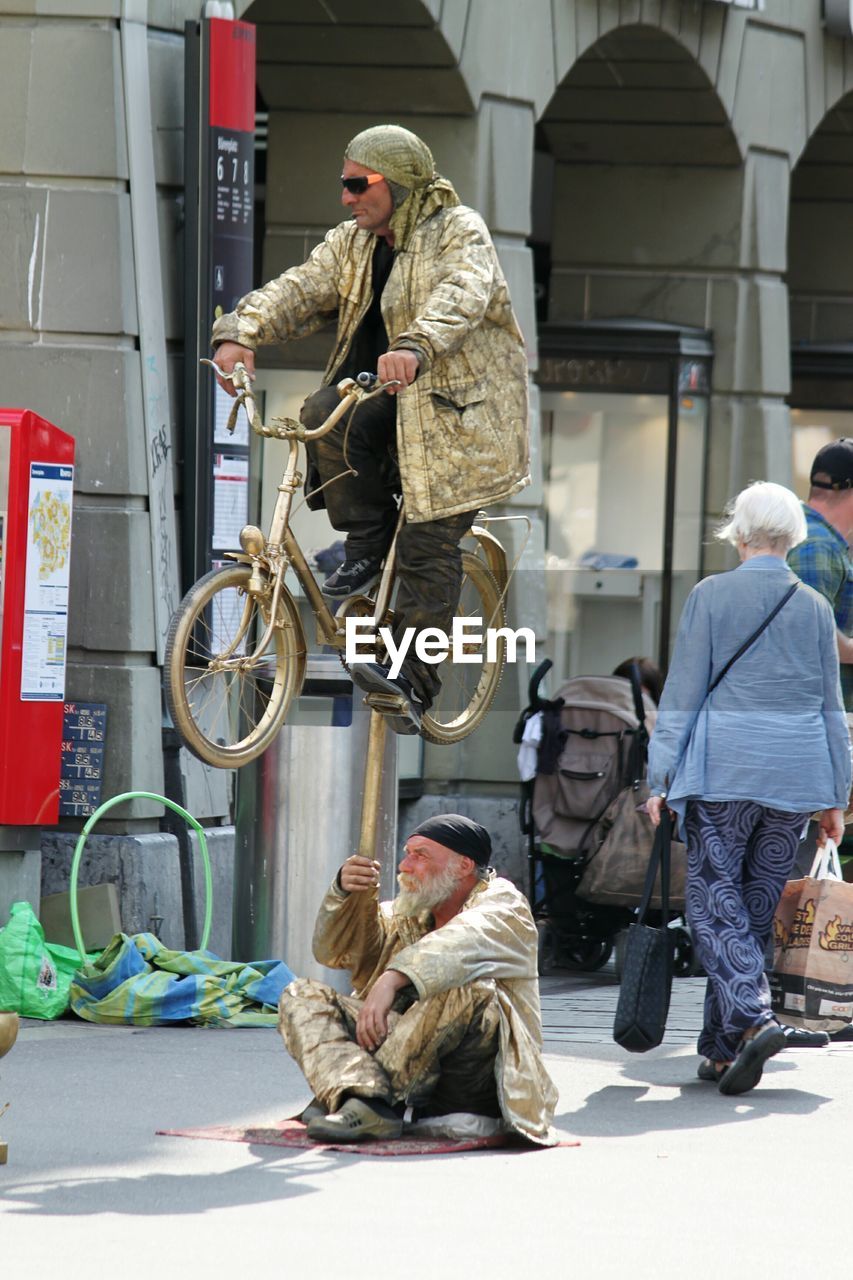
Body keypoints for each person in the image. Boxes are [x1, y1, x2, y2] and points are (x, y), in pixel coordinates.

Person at [211, 123, 530, 734]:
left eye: (358, 184)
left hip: (460, 419)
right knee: (320, 415)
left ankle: (414, 681)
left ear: (400, 184)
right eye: (343, 184)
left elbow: (462, 295)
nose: (346, 197)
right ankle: (365, 544)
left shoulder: (458, 232)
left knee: (426, 546)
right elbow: (298, 291)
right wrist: (239, 331)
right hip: (391, 398)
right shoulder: (351, 243)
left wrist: (415, 343)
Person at [645, 481, 851, 1095]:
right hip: (794, 779)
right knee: (755, 908)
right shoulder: (813, 605)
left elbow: (682, 692)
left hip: (724, 774)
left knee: (712, 903)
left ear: (738, 533)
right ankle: (721, 1050)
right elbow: (829, 706)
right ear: (793, 536)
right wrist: (836, 795)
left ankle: (754, 1014)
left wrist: (659, 778)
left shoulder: (711, 595)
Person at [278, 814, 558, 1145]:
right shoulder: (411, 911)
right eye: (407, 853)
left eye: (420, 855)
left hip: (478, 1079)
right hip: (407, 1065)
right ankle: (356, 1092)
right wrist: (348, 895)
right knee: (300, 994)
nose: (405, 865)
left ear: (464, 865)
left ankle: (371, 1105)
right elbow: (337, 953)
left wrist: (391, 979)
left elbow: (462, 942)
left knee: (467, 986)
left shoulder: (504, 903)